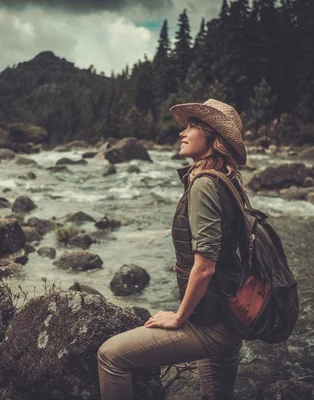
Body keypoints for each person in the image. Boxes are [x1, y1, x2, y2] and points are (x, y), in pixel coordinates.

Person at [97, 99, 249, 400]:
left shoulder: (205, 184)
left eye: (193, 126)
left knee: (110, 357)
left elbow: (206, 266)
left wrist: (179, 317)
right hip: (231, 318)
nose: (183, 132)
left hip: (211, 324)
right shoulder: (230, 181)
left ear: (212, 138)